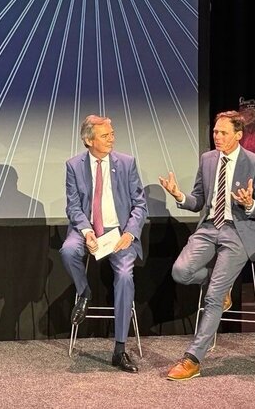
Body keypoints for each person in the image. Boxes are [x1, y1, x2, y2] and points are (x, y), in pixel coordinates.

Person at [158, 110, 255, 381]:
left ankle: (193, 359)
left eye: (223, 133)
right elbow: (199, 200)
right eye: (215, 132)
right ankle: (221, 284)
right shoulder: (208, 160)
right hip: (210, 228)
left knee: (212, 299)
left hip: (239, 232)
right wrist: (179, 196)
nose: (217, 137)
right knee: (181, 272)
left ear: (238, 135)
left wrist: (249, 204)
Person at [61, 115, 148, 373]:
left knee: (123, 276)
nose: (112, 138)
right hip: (88, 227)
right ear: (89, 140)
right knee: (68, 250)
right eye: (105, 135)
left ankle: (120, 349)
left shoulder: (126, 163)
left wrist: (130, 234)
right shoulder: (73, 165)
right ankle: (85, 292)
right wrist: (87, 232)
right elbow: (74, 206)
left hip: (118, 231)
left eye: (112, 133)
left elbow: (140, 205)